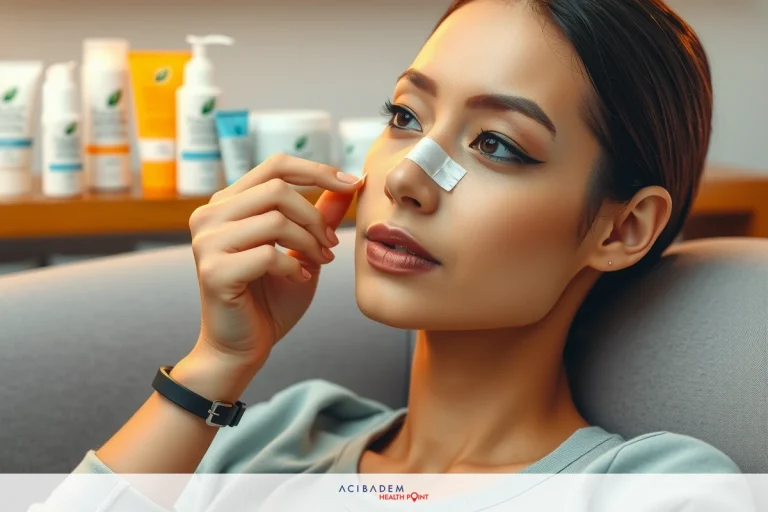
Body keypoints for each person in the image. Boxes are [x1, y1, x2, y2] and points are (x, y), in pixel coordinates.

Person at [34, 0, 747, 510]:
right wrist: (212, 371)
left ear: (621, 230)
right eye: (406, 117)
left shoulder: (656, 490)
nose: (406, 177)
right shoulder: (277, 436)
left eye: (495, 144)